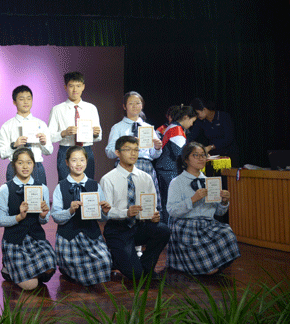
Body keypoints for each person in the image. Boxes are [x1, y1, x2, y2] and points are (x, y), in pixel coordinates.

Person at [100, 136, 170, 280]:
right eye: (128, 150)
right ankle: (115, 258)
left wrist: (154, 215)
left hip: (139, 226)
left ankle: (146, 267)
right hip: (118, 229)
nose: (133, 153)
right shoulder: (108, 179)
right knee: (135, 275)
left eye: (136, 150)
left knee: (163, 230)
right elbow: (105, 212)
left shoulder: (145, 177)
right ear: (117, 153)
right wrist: (126, 213)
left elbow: (152, 205)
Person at [166, 142, 240, 275]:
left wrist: (224, 202)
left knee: (226, 232)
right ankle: (200, 266)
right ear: (186, 159)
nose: (201, 159)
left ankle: (209, 266)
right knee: (206, 266)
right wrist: (193, 199)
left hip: (206, 224)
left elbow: (219, 212)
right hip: (185, 224)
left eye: (203, 155)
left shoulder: (210, 182)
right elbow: (172, 211)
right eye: (196, 155)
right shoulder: (177, 182)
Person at [0, 147, 56, 290]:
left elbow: (44, 221)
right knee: (30, 285)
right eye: (20, 163)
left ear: (34, 164)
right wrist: (19, 217)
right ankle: (9, 268)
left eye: (29, 162)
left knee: (50, 264)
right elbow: (0, 220)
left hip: (35, 237)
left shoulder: (42, 188)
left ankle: (26, 271)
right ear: (13, 165)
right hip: (14, 239)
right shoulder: (5, 189)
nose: (25, 166)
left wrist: (43, 215)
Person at [51, 146, 113, 286]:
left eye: (82, 160)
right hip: (68, 237)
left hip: (91, 235)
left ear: (86, 161)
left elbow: (101, 218)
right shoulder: (60, 187)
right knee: (80, 271)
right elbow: (56, 217)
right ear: (67, 162)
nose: (78, 164)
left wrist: (104, 212)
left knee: (105, 262)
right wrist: (70, 211)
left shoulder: (95, 185)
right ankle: (66, 269)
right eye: (74, 160)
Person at [105, 91, 164, 220]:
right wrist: (126, 146)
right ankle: (126, 223)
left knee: (148, 201)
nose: (135, 106)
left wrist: (157, 147)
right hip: (124, 166)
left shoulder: (148, 127)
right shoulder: (118, 127)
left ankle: (147, 225)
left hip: (146, 166)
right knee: (126, 199)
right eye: (131, 103)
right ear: (124, 106)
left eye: (138, 103)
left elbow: (153, 155)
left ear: (142, 105)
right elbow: (109, 152)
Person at [48, 72, 102, 181]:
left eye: (78, 86)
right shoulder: (57, 109)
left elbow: (99, 137)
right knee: (65, 184)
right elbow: (49, 136)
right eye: (71, 86)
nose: (75, 90)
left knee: (87, 183)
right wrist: (64, 133)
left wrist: (96, 134)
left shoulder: (91, 108)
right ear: (65, 87)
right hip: (66, 150)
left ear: (83, 87)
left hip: (86, 149)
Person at [0, 84, 53, 185]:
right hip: (15, 167)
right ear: (14, 102)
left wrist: (43, 143)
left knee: (38, 195)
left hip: (36, 166)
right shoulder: (7, 126)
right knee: (15, 195)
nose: (26, 102)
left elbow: (49, 151)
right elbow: (1, 153)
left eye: (29, 98)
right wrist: (14, 145)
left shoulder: (41, 124)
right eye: (21, 99)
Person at [154, 105, 197, 223]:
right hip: (169, 170)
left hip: (165, 169)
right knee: (170, 201)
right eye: (192, 121)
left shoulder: (172, 127)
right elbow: (180, 154)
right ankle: (170, 228)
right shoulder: (176, 130)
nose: (192, 125)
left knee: (166, 200)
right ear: (186, 117)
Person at [187, 98, 239, 166]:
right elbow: (192, 135)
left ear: (204, 109)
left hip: (229, 155)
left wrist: (210, 147)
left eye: (197, 113)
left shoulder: (224, 117)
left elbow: (228, 138)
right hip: (214, 156)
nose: (196, 116)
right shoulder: (200, 121)